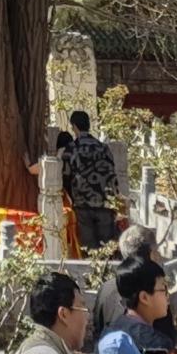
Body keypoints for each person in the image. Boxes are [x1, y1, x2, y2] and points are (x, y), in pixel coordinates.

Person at [64, 108, 125, 252]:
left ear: (74, 126)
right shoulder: (103, 148)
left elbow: (66, 175)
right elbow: (112, 175)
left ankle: (91, 266)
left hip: (82, 203)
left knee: (88, 247)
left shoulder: (72, 148)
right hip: (105, 203)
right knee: (107, 247)